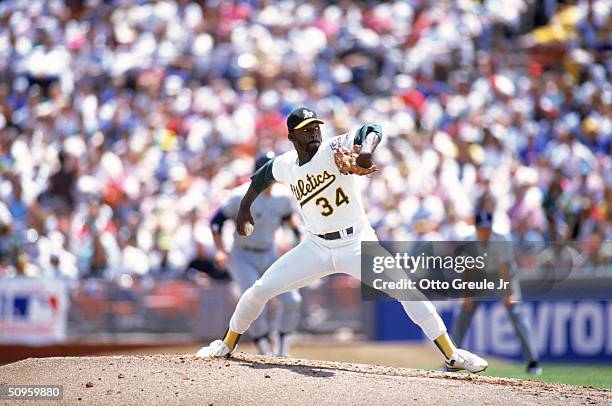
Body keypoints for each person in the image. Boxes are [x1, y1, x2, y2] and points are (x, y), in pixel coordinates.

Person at [196, 107, 488, 373]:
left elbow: (371, 128)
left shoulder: (333, 148)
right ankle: (226, 344)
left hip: (357, 243)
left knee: (407, 291)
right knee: (259, 290)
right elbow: (261, 177)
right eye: (306, 130)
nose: (314, 134)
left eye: (316, 128)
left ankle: (452, 355)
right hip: (316, 246)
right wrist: (245, 208)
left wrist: (366, 153)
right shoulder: (286, 164)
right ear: (291, 136)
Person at [209, 152, 303, 356]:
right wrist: (219, 250)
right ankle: (263, 347)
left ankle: (282, 348)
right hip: (242, 256)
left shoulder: (283, 197)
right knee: (253, 297)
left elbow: (289, 219)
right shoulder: (239, 195)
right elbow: (216, 220)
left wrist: (300, 235)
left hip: (269, 252)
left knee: (292, 299)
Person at [450, 210, 542, 375]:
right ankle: (451, 359)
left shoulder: (501, 239)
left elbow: (503, 268)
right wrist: (466, 295)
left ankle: (533, 362)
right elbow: (468, 270)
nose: (485, 232)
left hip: (501, 277)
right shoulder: (468, 241)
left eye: (488, 228)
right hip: (478, 276)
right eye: (482, 228)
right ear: (476, 228)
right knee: (463, 313)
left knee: (516, 311)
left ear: (492, 227)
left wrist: (509, 294)